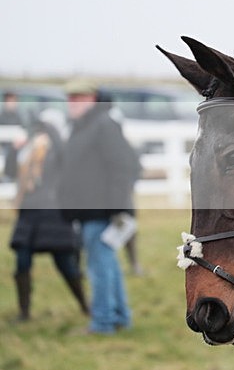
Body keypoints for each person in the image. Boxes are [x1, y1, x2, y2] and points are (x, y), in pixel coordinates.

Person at [57, 79, 141, 335]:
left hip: (102, 211)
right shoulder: (84, 126)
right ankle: (120, 317)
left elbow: (123, 167)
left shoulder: (103, 124)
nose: (72, 103)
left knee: (98, 267)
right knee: (107, 265)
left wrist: (117, 208)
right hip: (91, 210)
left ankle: (103, 322)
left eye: (79, 98)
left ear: (93, 99)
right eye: (70, 98)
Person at [8, 108, 88, 321]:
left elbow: (66, 161)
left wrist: (51, 132)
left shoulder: (59, 149)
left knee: (65, 263)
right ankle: (24, 312)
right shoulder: (28, 149)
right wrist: (14, 150)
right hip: (28, 214)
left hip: (54, 214)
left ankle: (85, 306)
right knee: (22, 262)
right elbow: (10, 172)